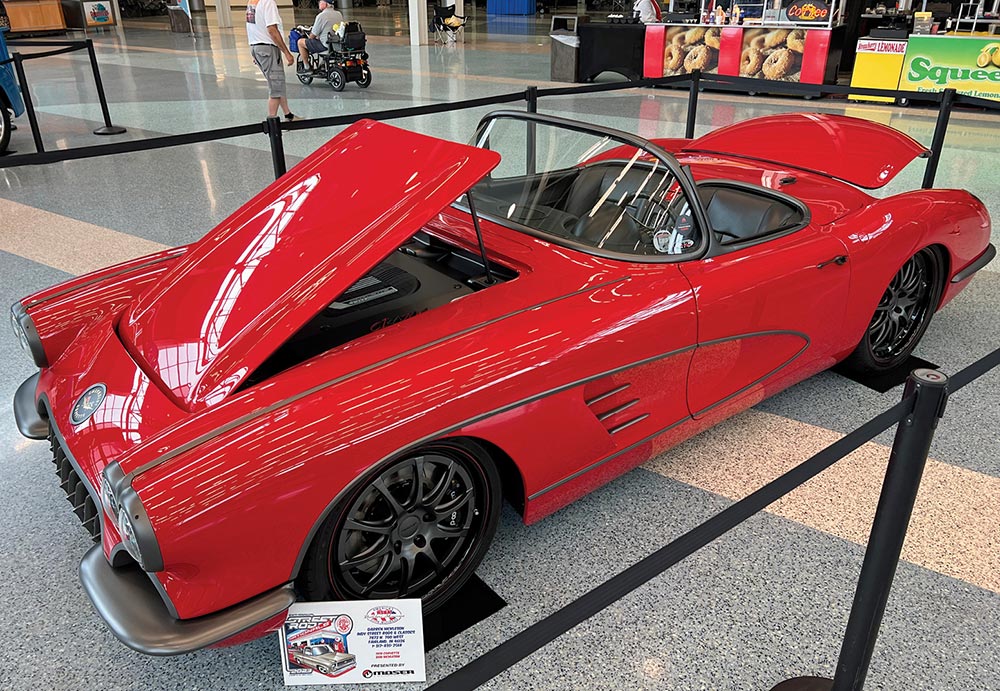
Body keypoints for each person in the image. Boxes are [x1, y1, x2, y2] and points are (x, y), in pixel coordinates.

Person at [246, 0, 301, 121]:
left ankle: (288, 115)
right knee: (275, 89)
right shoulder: (268, 2)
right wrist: (286, 52)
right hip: (268, 49)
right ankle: (272, 123)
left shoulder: (252, 2)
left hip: (257, 47)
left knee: (277, 83)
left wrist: (254, 51)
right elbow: (272, 30)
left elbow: (252, 27)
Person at [297, 0, 344, 71]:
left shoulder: (321, 16)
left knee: (300, 42)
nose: (318, 3)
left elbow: (312, 36)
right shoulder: (338, 14)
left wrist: (310, 36)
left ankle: (307, 67)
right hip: (336, 45)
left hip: (325, 46)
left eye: (320, 1)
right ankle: (322, 64)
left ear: (325, 4)